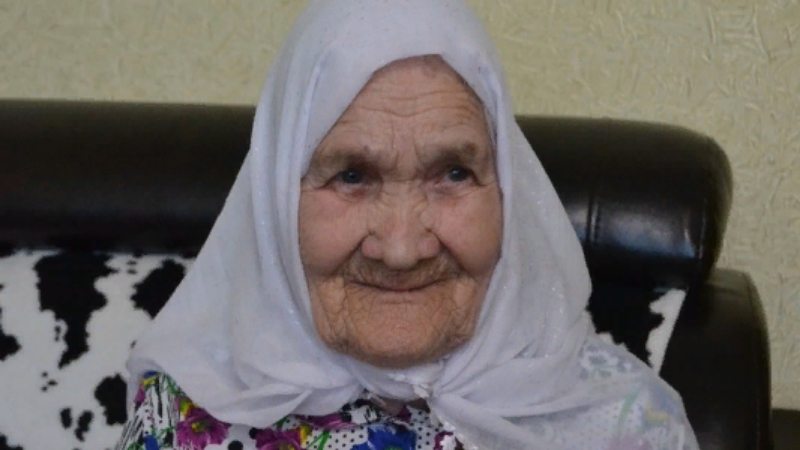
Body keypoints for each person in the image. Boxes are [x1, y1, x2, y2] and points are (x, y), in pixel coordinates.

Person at [117, 1, 699, 449]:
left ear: (507, 192)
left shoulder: (630, 426)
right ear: (277, 202)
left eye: (453, 173)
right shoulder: (184, 416)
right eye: (350, 176)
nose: (400, 249)